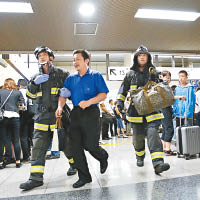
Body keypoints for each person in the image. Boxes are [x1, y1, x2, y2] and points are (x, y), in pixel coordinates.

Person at [19, 46, 76, 191]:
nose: (42, 58)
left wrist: (68, 92)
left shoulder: (62, 74)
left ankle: (74, 164)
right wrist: (33, 84)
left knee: (66, 145)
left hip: (59, 116)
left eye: (44, 55)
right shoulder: (34, 78)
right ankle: (35, 178)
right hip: (41, 117)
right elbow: (30, 97)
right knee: (38, 147)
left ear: (51, 57)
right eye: (39, 56)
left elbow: (72, 92)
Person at [56, 49, 109, 188]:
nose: (74, 62)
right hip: (76, 113)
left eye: (77, 59)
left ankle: (103, 157)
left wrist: (90, 101)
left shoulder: (95, 75)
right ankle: (84, 177)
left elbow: (103, 94)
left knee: (90, 145)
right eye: (73, 60)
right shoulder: (70, 79)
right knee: (76, 146)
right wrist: (60, 107)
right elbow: (63, 94)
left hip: (91, 112)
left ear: (86, 60)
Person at [117, 45, 170, 174]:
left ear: (148, 57)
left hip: (152, 110)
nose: (142, 57)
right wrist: (119, 102)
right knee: (137, 138)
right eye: (139, 55)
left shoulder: (154, 72)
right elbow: (123, 90)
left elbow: (160, 89)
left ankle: (158, 163)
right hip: (136, 112)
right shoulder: (130, 74)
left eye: (144, 55)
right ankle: (139, 156)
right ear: (136, 58)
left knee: (153, 134)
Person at [0, 78, 25, 169]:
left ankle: (1, 162)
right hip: (15, 117)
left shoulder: (0, 92)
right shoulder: (17, 93)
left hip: (3, 118)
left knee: (2, 141)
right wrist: (17, 108)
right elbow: (23, 106)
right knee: (15, 140)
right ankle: (18, 162)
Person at [159, 71, 176, 156]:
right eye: (166, 77)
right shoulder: (164, 86)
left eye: (169, 77)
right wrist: (179, 97)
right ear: (161, 77)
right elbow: (170, 98)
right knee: (169, 129)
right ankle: (168, 149)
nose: (168, 79)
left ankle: (163, 148)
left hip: (162, 109)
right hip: (165, 108)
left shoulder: (160, 86)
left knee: (165, 129)